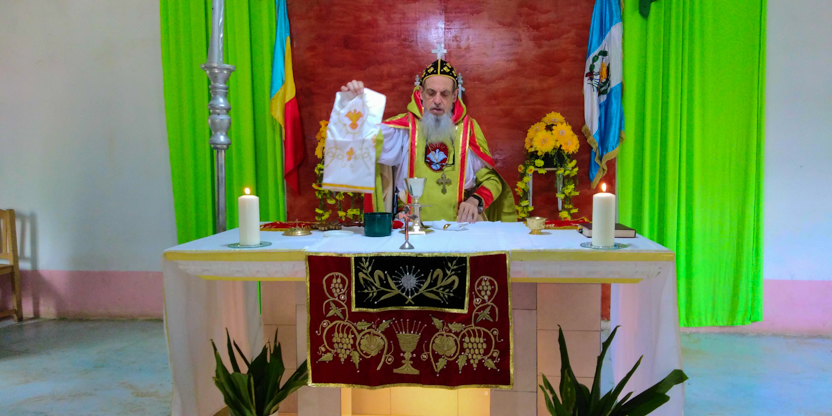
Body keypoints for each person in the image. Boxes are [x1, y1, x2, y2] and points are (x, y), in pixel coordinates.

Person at [337, 59, 516, 223]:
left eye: (444, 94)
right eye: (431, 93)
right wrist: (351, 107)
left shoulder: (468, 130)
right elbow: (360, 147)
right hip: (409, 228)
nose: (437, 100)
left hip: (459, 228)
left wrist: (475, 200)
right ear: (421, 93)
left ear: (455, 96)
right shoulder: (401, 130)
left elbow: (492, 180)